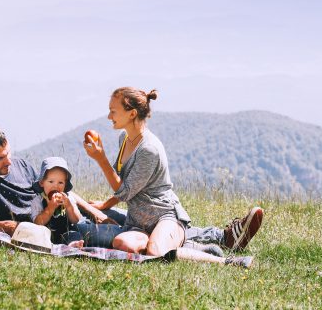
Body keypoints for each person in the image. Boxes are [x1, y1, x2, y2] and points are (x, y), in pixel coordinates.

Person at [0, 124, 263, 254]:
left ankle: (220, 235)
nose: (8, 161)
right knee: (136, 236)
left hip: (78, 215)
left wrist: (96, 209)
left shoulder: (21, 165)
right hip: (66, 233)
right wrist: (1, 229)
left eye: (8, 153)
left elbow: (57, 188)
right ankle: (214, 244)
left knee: (142, 219)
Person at [84, 86, 256, 267]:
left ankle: (227, 261)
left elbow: (125, 192)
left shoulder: (148, 150)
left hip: (165, 216)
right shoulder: (124, 138)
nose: (109, 117)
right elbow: (127, 183)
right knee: (122, 244)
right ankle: (193, 246)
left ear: (132, 113)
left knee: (155, 252)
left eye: (113, 111)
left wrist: (100, 158)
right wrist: (105, 205)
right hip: (137, 222)